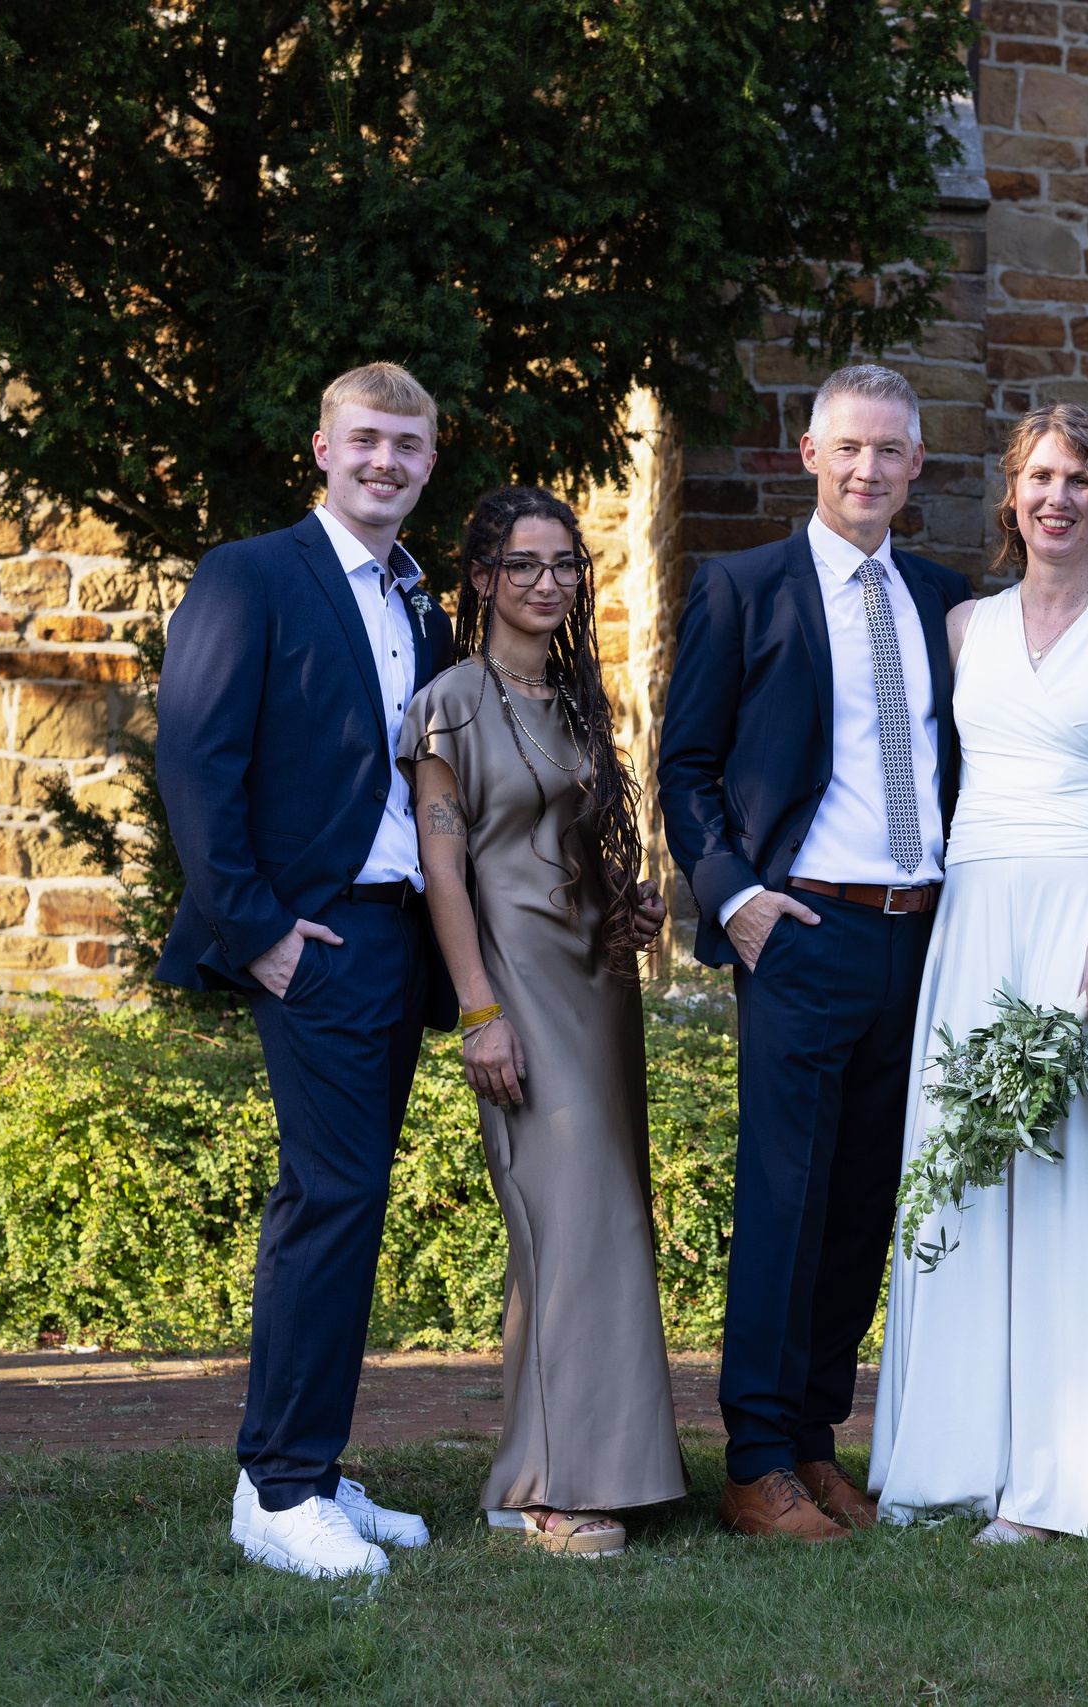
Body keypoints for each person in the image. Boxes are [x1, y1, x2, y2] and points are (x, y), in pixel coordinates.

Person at [655, 364, 975, 1542]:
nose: (868, 469)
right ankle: (751, 1463)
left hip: (918, 935)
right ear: (807, 453)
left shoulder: (946, 599)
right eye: (849, 448)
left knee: (861, 1203)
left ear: (915, 467)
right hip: (801, 930)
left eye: (890, 451)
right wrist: (731, 893)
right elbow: (683, 763)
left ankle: (814, 1444)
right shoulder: (744, 589)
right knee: (786, 1199)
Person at [870, 401, 1088, 1547]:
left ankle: (1065, 1477)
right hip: (981, 912)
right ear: (1011, 496)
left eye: (1081, 480)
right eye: (1039, 477)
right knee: (968, 1177)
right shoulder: (960, 627)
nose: (1058, 497)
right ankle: (962, 1452)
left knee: (1069, 1184)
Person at [154, 362, 455, 1579]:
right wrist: (258, 929)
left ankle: (309, 1463)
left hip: (398, 932)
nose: (387, 462)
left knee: (349, 1199)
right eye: (368, 440)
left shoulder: (421, 605)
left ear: (429, 464)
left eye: (411, 446)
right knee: (330, 1202)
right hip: (310, 937)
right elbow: (196, 758)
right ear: (321, 447)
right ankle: (279, 1495)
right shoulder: (252, 574)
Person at [401, 487, 682, 1557]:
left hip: (595, 989)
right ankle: (557, 1487)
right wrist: (479, 1012)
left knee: (597, 1222)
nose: (546, 583)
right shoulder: (447, 707)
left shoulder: (574, 707)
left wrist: (630, 906)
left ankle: (557, 1461)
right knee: (571, 1222)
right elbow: (443, 871)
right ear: (479, 579)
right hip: (513, 986)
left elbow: (575, 850)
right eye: (523, 565)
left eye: (564, 564)